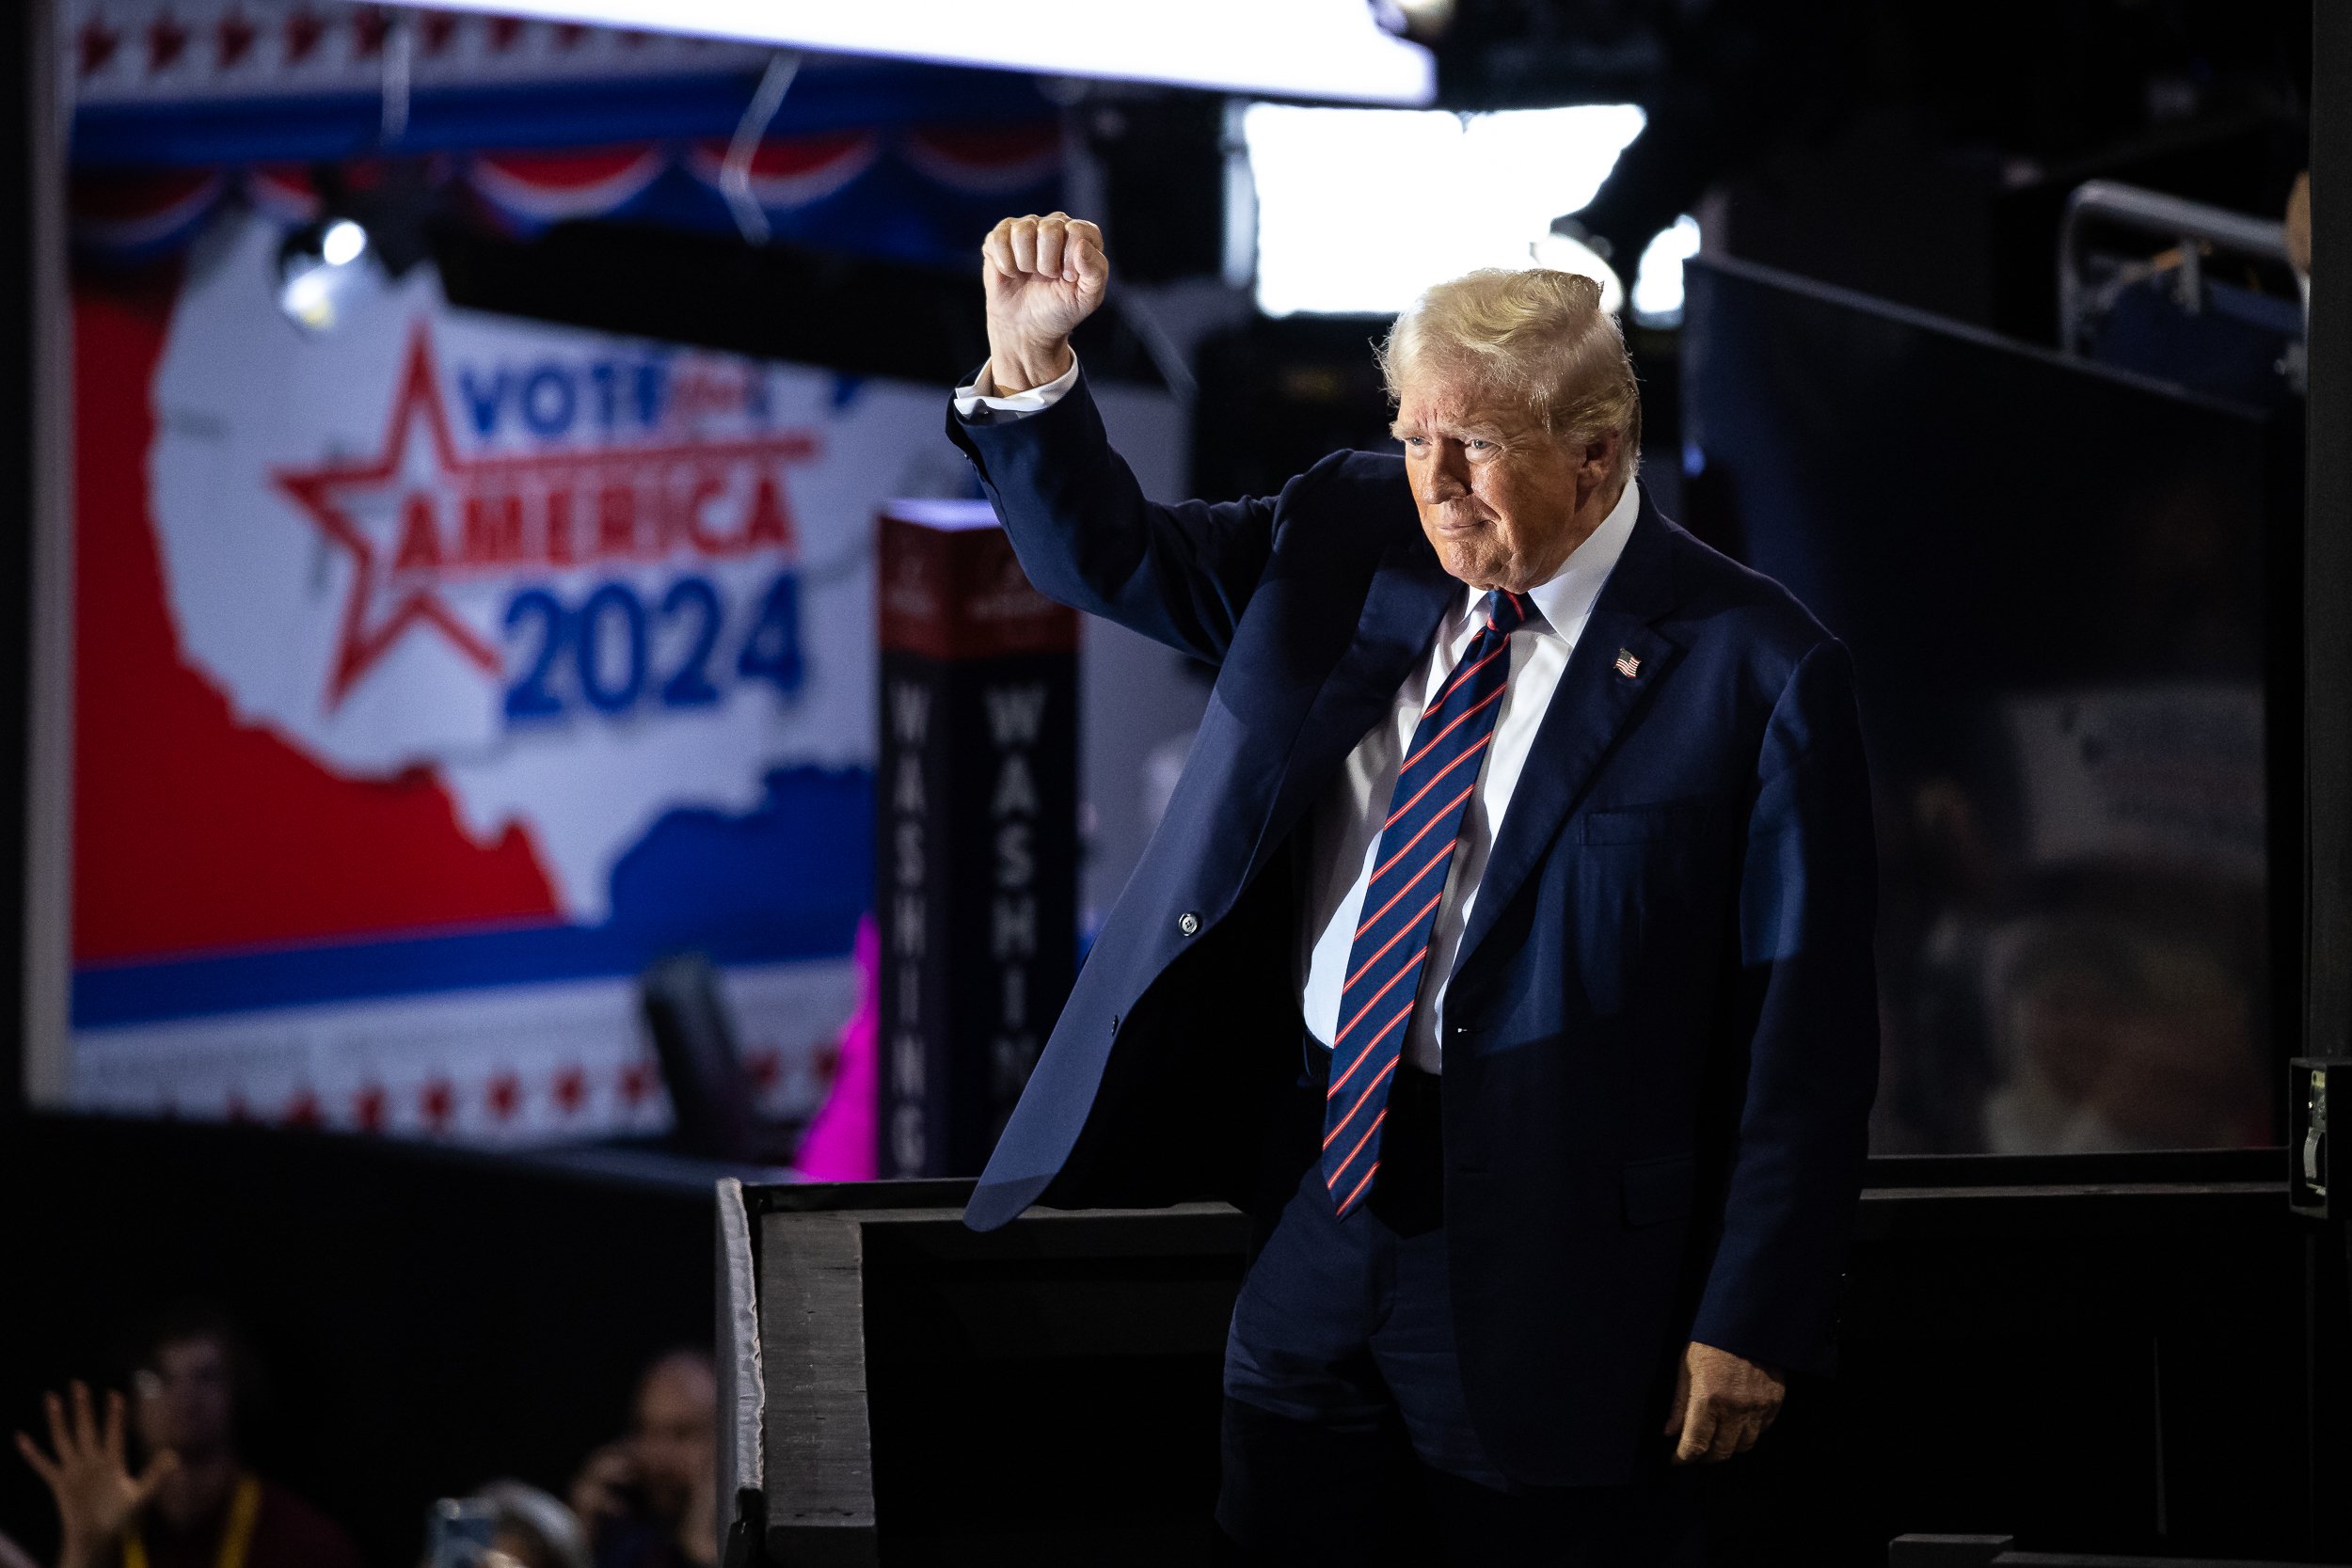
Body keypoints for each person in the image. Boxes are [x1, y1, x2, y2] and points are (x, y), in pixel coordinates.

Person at [949, 213, 1880, 1562]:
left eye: (1479, 447)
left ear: (1600, 454)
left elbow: (1807, 1045)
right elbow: (1112, 556)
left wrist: (1752, 1312)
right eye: (1412, 438)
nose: (1433, 481)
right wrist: (1029, 363)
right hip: (1319, 1195)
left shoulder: (1756, 672)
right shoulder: (1345, 531)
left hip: (1561, 1267)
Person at [14, 1309, 362, 1568]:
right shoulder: (112, 1530)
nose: (184, 1397)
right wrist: (85, 1545)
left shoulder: (306, 1542)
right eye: (158, 1379)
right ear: (131, 1403)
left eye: (207, 1377)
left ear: (238, 1394)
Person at [566, 1353, 716, 1568]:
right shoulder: (626, 1545)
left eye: (682, 1434)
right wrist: (576, 1540)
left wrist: (703, 1554)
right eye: (645, 1431)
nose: (659, 1459)